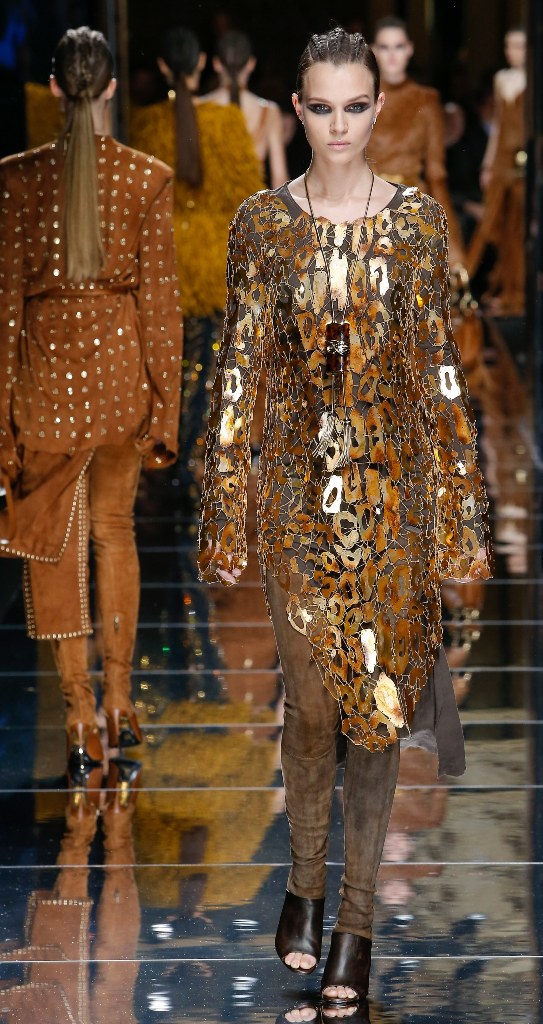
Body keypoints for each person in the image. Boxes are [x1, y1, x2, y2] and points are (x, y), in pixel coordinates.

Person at [198, 27, 492, 1006]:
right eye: (321, 107)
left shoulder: (414, 225)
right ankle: (304, 882)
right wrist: (224, 506)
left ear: (377, 109)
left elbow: (440, 376)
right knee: (311, 706)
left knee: (377, 714)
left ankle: (355, 929)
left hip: (391, 497)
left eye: (355, 107)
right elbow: (238, 370)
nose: (338, 125)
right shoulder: (261, 224)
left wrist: (458, 520)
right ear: (296, 108)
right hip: (292, 501)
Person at [0, 27, 183, 780]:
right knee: (113, 532)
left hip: (45, 380)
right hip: (116, 377)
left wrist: (1, 419)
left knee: (55, 543)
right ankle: (119, 702)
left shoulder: (17, 180)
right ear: (110, 89)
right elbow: (161, 307)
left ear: (53, 88)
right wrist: (165, 410)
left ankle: (77, 714)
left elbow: (5, 308)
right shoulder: (146, 178)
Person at [129, 28, 264, 490]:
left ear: (163, 68)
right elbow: (248, 194)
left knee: (166, 363)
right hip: (212, 260)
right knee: (207, 365)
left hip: (165, 259)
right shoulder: (226, 122)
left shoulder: (146, 124)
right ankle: (189, 456)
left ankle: (163, 452)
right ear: (201, 63)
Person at [365, 16, 464, 267]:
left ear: (409, 49)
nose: (392, 55)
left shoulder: (426, 101)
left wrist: (453, 248)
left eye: (398, 46)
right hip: (365, 212)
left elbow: (436, 173)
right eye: (384, 47)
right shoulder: (360, 101)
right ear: (374, 50)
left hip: (414, 215)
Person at [466, 28, 527, 316]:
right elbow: (499, 122)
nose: (512, 51)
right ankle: (494, 287)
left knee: (518, 224)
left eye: (519, 46)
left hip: (523, 157)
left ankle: (517, 291)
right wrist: (488, 163)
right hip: (502, 156)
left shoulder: (534, 78)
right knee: (495, 224)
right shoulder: (502, 78)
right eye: (509, 45)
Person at [200, 29, 289, 188]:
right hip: (252, 204)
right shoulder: (269, 111)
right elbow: (280, 179)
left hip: (207, 203)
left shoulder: (198, 107)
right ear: (251, 64)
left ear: (216, 64)